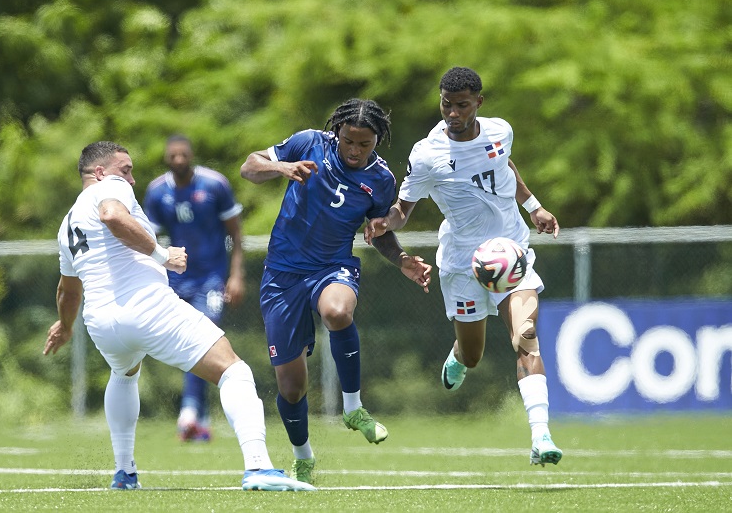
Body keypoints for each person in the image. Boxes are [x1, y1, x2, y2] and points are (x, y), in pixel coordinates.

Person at [44, 140, 315, 492]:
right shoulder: (110, 189)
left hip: (101, 322)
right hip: (145, 306)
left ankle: (124, 473)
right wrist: (161, 255)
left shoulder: (67, 224)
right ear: (100, 172)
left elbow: (68, 290)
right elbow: (112, 215)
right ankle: (259, 467)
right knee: (235, 372)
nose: (132, 179)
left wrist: (65, 326)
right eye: (125, 170)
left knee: (123, 375)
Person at [364, 67, 564, 467]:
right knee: (473, 355)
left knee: (526, 337)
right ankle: (458, 356)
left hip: (510, 253)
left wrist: (534, 207)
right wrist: (386, 223)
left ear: (479, 104)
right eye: (446, 105)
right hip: (462, 264)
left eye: (462, 106)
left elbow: (507, 167)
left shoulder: (500, 131)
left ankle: (541, 436)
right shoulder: (426, 154)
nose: (452, 113)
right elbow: (404, 209)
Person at [240, 98, 432, 484]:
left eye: (365, 144)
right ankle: (303, 456)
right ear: (337, 134)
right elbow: (249, 167)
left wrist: (402, 260)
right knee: (292, 389)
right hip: (282, 274)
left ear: (378, 140)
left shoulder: (380, 179)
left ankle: (353, 408)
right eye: (349, 141)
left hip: (332, 266)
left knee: (338, 311)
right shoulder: (308, 143)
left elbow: (380, 232)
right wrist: (281, 167)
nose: (356, 151)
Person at [144, 134, 245, 443]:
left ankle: (188, 412)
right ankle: (198, 420)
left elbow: (236, 234)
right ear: (166, 159)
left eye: (183, 154)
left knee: (205, 337)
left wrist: (236, 275)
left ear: (191, 155)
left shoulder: (214, 185)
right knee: (186, 343)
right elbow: (146, 240)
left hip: (211, 278)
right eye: (172, 156)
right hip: (175, 280)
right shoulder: (157, 192)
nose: (178, 160)